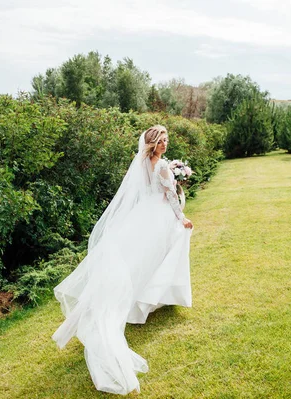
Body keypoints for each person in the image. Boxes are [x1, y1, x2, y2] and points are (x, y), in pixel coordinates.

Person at [52, 125, 194, 395]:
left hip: (142, 214)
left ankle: (152, 299)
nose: (164, 143)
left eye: (166, 140)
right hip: (160, 215)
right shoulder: (162, 165)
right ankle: (154, 298)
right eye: (160, 140)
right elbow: (171, 197)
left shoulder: (141, 161)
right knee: (163, 256)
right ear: (152, 142)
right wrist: (182, 218)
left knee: (144, 261)